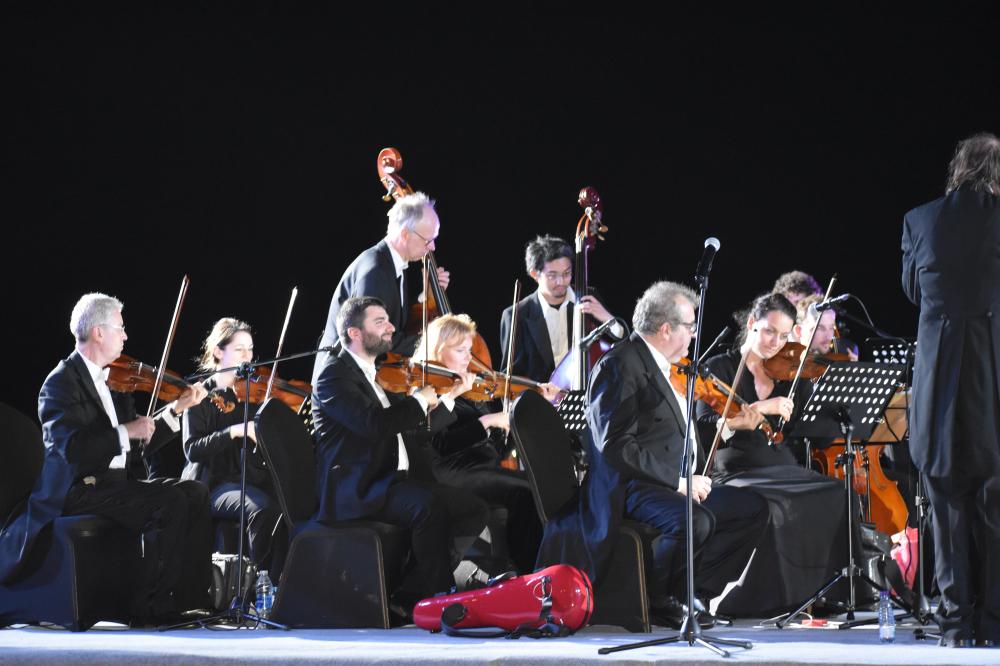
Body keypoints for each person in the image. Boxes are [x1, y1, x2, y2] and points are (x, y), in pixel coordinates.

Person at [540, 281, 768, 627]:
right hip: (633, 485)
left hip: (674, 482)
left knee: (752, 509)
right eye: (689, 328)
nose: (693, 336)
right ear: (666, 329)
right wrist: (677, 482)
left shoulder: (669, 365)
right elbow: (615, 445)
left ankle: (695, 593)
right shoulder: (620, 364)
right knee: (695, 521)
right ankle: (659, 599)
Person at [0, 293, 212, 623]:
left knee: (194, 492)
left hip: (113, 485)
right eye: (121, 328)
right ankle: (149, 607)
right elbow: (71, 448)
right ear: (99, 332)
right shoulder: (59, 384)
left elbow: (138, 446)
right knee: (168, 501)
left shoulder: (114, 383)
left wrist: (177, 410)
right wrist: (126, 431)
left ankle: (190, 598)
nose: (126, 336)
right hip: (78, 490)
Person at [312, 296, 488, 612]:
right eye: (379, 321)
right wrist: (419, 401)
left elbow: (414, 431)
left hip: (391, 480)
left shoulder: (375, 373)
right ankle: (438, 599)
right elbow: (373, 425)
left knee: (471, 507)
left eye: (388, 320)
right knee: (428, 507)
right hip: (359, 487)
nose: (391, 326)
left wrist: (450, 395)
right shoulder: (333, 377)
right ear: (354, 332)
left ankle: (411, 593)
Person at [696, 292, 861, 617]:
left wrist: (832, 400)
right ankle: (762, 600)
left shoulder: (790, 374)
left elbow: (809, 429)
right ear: (752, 324)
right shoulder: (720, 368)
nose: (776, 342)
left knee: (839, 494)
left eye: (785, 335)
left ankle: (826, 593)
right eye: (770, 331)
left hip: (782, 468)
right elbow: (704, 424)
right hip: (736, 470)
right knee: (774, 505)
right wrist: (755, 409)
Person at [902, 132, 1000, 648]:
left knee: (945, 506)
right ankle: (994, 624)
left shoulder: (920, 220)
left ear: (958, 168)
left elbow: (911, 290)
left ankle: (954, 627)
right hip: (992, 380)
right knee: (994, 505)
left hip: (939, 385)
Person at [409, 313, 558, 572]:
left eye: (469, 349)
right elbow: (442, 444)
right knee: (526, 492)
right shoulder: (426, 389)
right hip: (451, 471)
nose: (469, 357)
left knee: (539, 483)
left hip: (479, 466)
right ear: (438, 350)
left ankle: (541, 564)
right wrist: (487, 421)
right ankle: (528, 570)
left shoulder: (468, 387)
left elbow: (490, 442)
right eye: (460, 350)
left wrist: (509, 417)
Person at [182, 318, 286, 580]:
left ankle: (279, 585)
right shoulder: (199, 395)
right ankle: (259, 584)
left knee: (289, 505)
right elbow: (192, 449)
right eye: (239, 349)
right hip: (210, 485)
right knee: (262, 509)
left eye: (250, 349)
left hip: (246, 477)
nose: (248, 356)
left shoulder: (247, 394)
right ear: (219, 351)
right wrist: (234, 431)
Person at [314, 192, 450, 384]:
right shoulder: (375, 270)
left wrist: (424, 298)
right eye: (428, 240)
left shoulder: (392, 265)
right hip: (343, 386)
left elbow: (393, 319)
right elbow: (373, 337)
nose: (433, 247)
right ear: (404, 234)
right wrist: (435, 345)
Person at [499, 234, 624, 384]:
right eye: (552, 276)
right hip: (540, 403)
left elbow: (620, 348)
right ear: (534, 274)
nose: (561, 282)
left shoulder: (588, 296)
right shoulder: (516, 315)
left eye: (566, 273)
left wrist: (608, 319)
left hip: (588, 398)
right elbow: (510, 378)